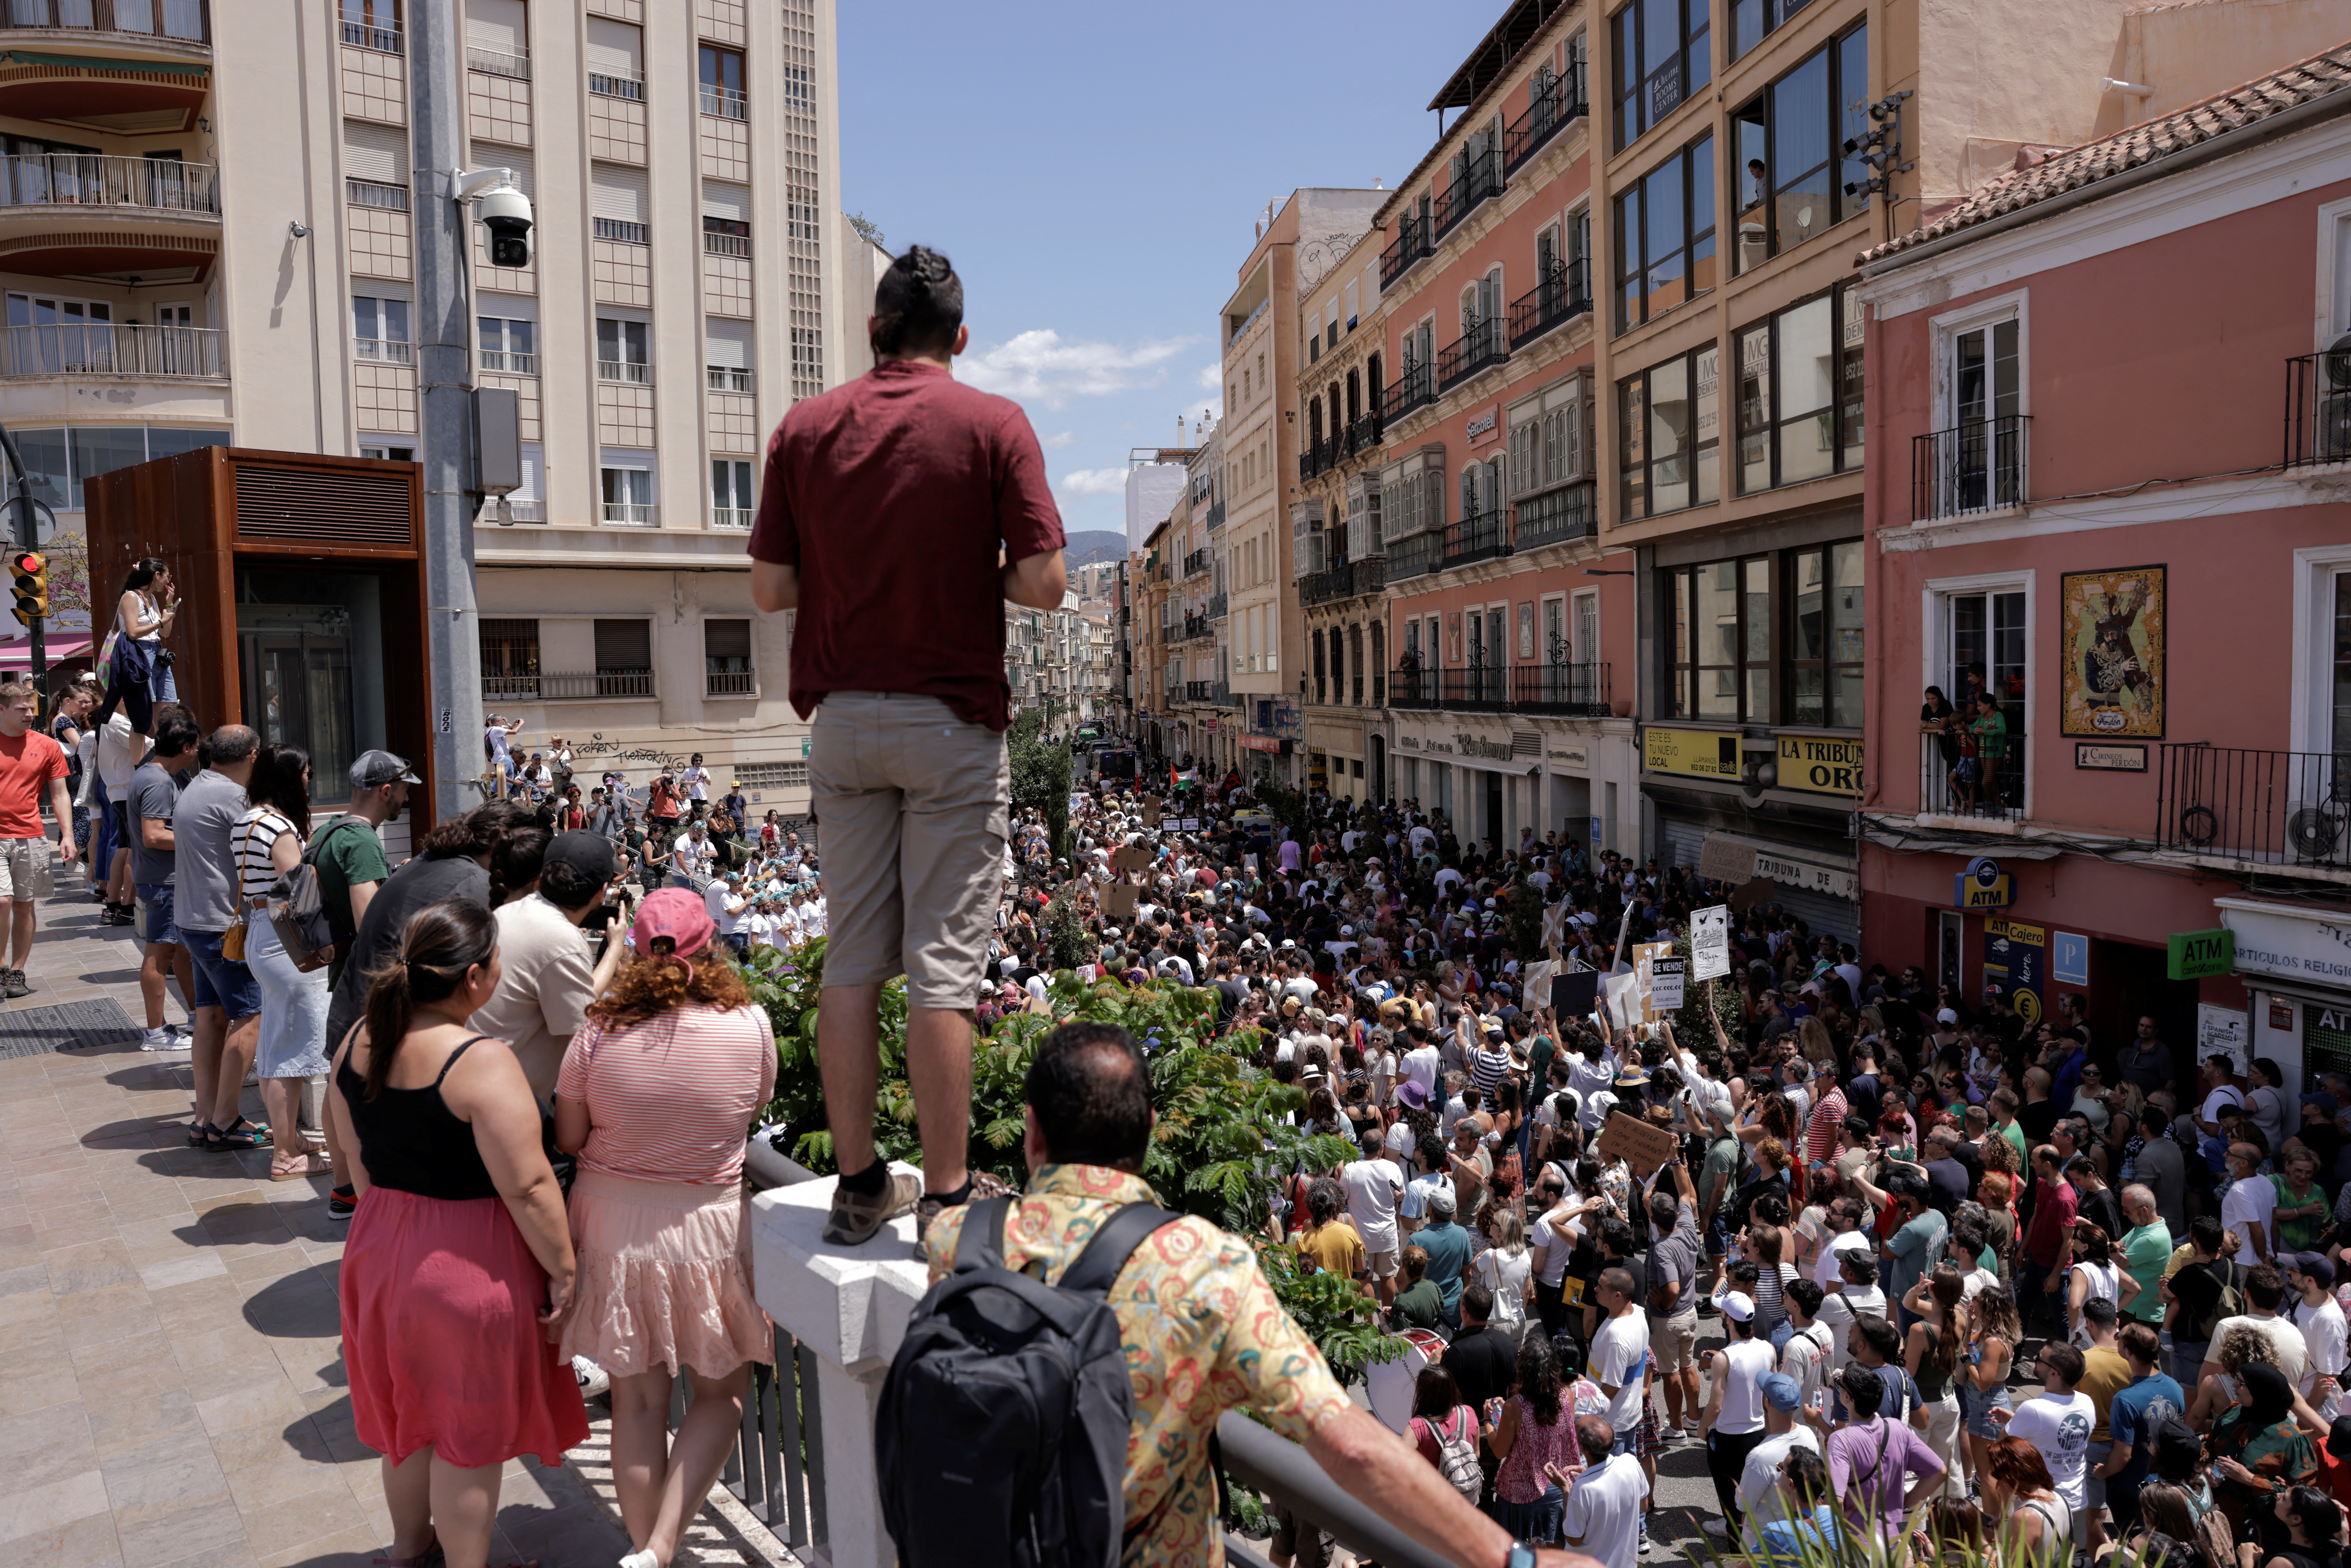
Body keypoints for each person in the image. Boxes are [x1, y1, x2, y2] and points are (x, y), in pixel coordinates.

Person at [919, 1020, 1562, 1568]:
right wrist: (1514, 1557)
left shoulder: (957, 1239)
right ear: (1148, 1129)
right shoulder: (1203, 1264)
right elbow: (1347, 1443)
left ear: (1032, 1131)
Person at [748, 246, 1068, 1248]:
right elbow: (1050, 582)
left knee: (852, 957)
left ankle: (854, 1183)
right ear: (960, 339)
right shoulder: (992, 426)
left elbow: (768, 590)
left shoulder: (804, 429)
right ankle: (941, 1194)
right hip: (949, 723)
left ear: (874, 332)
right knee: (942, 968)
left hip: (840, 720)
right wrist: (971, 577)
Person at [327, 899, 587, 1568]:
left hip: (380, 1242)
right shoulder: (481, 1061)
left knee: (407, 1424)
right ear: (475, 976)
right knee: (467, 1437)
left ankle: (410, 1550)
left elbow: (350, 1152)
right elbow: (528, 1187)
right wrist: (563, 1269)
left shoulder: (360, 1038)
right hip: (466, 1263)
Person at [553, 888, 775, 1568]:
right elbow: (753, 1108)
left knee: (638, 1400)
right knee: (721, 1395)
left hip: (612, 1222)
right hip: (705, 1226)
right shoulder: (751, 1025)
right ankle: (664, 1546)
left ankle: (650, 1553)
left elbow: (569, 1134)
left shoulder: (596, 1031)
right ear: (710, 946)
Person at [236, 743, 335, 1182]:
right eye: (307, 773)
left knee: (277, 1044)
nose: (309, 781)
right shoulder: (278, 826)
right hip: (283, 936)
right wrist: (324, 944)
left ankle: (289, 1143)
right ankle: (286, 1154)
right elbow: (299, 892)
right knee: (290, 1053)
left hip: (260, 927)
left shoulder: (246, 818)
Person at [473, 833, 629, 1101]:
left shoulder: (507, 912)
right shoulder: (561, 938)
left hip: (477, 1084)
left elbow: (577, 998)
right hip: (506, 1104)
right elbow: (581, 1034)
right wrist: (616, 947)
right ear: (603, 891)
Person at [176, 725, 265, 1148]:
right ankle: (226, 1119)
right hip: (223, 926)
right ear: (252, 756)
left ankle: (204, 1116)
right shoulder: (232, 796)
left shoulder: (196, 785)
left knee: (210, 1018)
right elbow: (268, 845)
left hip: (195, 919)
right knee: (250, 1017)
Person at [128, 710, 197, 1052]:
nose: (199, 753)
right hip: (162, 881)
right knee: (161, 953)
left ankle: (198, 1015)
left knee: (182, 949)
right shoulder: (156, 781)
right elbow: (154, 835)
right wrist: (200, 837)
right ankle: (155, 1032)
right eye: (196, 747)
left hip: (167, 878)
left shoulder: (160, 775)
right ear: (186, 747)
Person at [1823, 1359, 1946, 1544]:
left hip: (1858, 1544)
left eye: (1839, 1384)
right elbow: (1940, 1472)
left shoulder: (1840, 1440)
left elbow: (1836, 1501)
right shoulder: (1897, 1428)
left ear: (1848, 1398)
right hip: (1893, 1539)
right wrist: (1903, 1503)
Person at [1996, 1340, 2095, 1555]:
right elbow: (2053, 1431)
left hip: (2042, 1505)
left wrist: (2014, 1423)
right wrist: (2017, 1420)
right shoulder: (2087, 1402)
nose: (2034, 1359)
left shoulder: (2035, 1408)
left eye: (2040, 1358)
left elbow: (2005, 1443)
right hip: (2077, 1501)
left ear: (2054, 1374)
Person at [2092, 1320, 2184, 1540]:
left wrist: (2103, 1472)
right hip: (2165, 1486)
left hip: (2132, 1491)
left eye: (2119, 1337)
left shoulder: (2125, 1399)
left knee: (2135, 1547)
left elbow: (2123, 1455)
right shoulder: (2175, 1387)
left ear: (2128, 1351)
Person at [1482, 1331, 1574, 1542]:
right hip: (1558, 1488)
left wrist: (1487, 1422)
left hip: (1519, 1496)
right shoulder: (1566, 1396)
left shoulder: (1516, 1406)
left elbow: (1499, 1451)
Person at [1699, 1289, 1777, 1538]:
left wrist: (1702, 1428)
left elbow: (1715, 1406)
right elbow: (1771, 1396)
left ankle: (1735, 1558)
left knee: (1730, 1503)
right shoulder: (1768, 1349)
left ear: (1729, 1319)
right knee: (1753, 1499)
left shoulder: (1724, 1358)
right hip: (1759, 1434)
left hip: (1729, 1441)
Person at [2211, 1362, 2320, 1530]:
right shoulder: (2234, 1412)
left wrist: (2250, 1480)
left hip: (2261, 1532)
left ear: (2260, 1392)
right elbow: (2209, 1443)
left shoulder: (2291, 1439)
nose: (2234, 1385)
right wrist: (2206, 1467)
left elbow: (2304, 1498)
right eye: (2236, 1379)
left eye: (2241, 1383)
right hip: (2219, 1519)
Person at [95, 556, 178, 731]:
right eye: (167, 577)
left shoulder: (153, 600)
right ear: (157, 575)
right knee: (142, 718)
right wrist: (161, 622)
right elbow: (132, 633)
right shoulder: (131, 597)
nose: (168, 581)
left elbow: (165, 633)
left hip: (157, 653)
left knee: (166, 714)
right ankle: (141, 757)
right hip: (139, 655)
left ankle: (163, 753)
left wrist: (169, 605)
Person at [1557, 1415, 1647, 1568]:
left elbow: (1574, 1539)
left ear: (1582, 1448)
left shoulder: (1583, 1489)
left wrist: (1566, 1489)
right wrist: (1588, 1472)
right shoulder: (1630, 1463)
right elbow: (1643, 1507)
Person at [1980, 1435, 2073, 1568]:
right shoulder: (2057, 1497)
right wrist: (2005, 1526)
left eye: (1997, 1475)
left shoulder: (2025, 1517)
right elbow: (2044, 1537)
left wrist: (1979, 1542)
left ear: (2012, 1476)